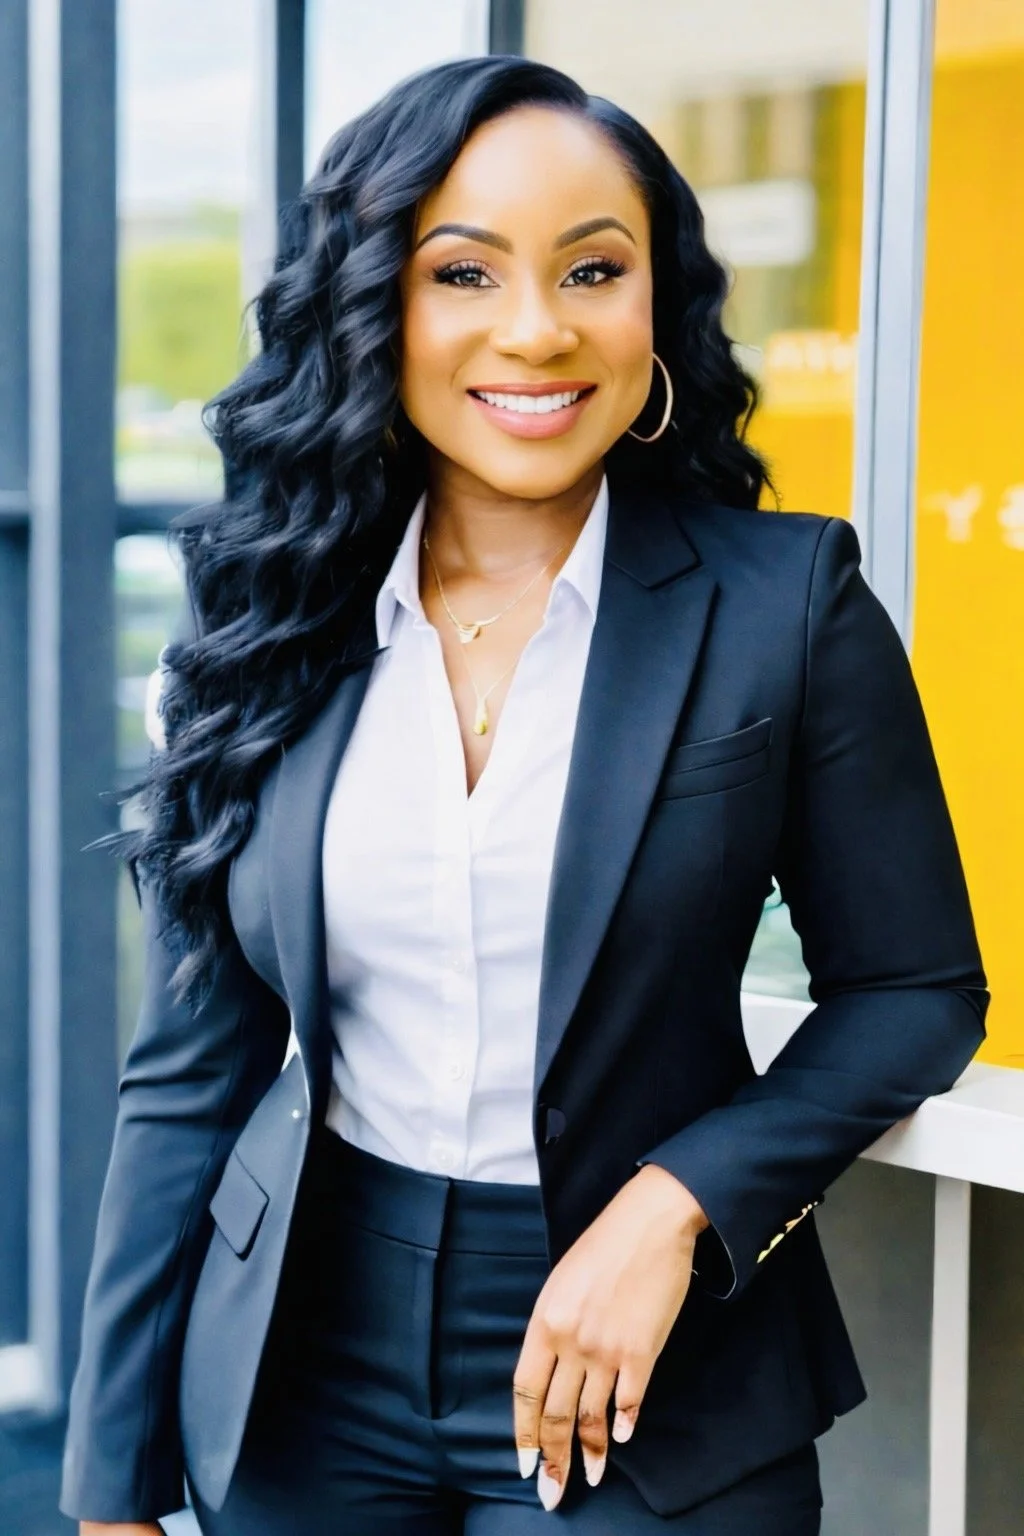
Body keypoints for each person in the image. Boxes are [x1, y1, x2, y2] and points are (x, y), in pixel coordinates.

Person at [60, 55, 988, 1536]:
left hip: (651, 1379)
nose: (538, 328)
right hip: (301, 1363)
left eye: (593, 270)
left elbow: (914, 991)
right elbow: (190, 1067)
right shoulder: (273, 613)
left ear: (657, 306)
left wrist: (679, 1205)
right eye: (464, 272)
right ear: (377, 308)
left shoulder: (787, 603)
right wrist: (112, 1480)